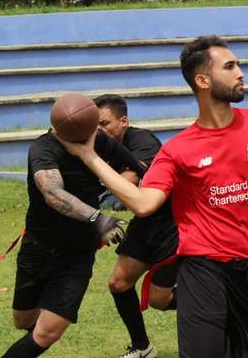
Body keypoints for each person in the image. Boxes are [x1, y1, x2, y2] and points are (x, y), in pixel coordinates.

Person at [57, 36, 248, 358]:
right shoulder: (179, 149)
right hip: (201, 271)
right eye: (230, 66)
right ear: (203, 80)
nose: (241, 72)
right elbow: (142, 203)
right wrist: (90, 156)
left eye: (238, 64)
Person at [1, 128, 141, 357]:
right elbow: (53, 193)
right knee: (23, 320)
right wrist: (97, 218)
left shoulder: (100, 140)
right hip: (38, 247)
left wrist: (112, 183)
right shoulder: (43, 148)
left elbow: (133, 166)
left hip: (78, 253)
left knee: (48, 332)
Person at [94, 94, 176, 358]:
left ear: (124, 121)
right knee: (118, 283)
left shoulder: (143, 141)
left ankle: (224, 307)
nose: (99, 131)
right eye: (94, 125)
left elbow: (128, 182)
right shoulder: (100, 147)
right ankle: (143, 347)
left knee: (159, 300)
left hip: (173, 224)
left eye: (105, 124)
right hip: (145, 222)